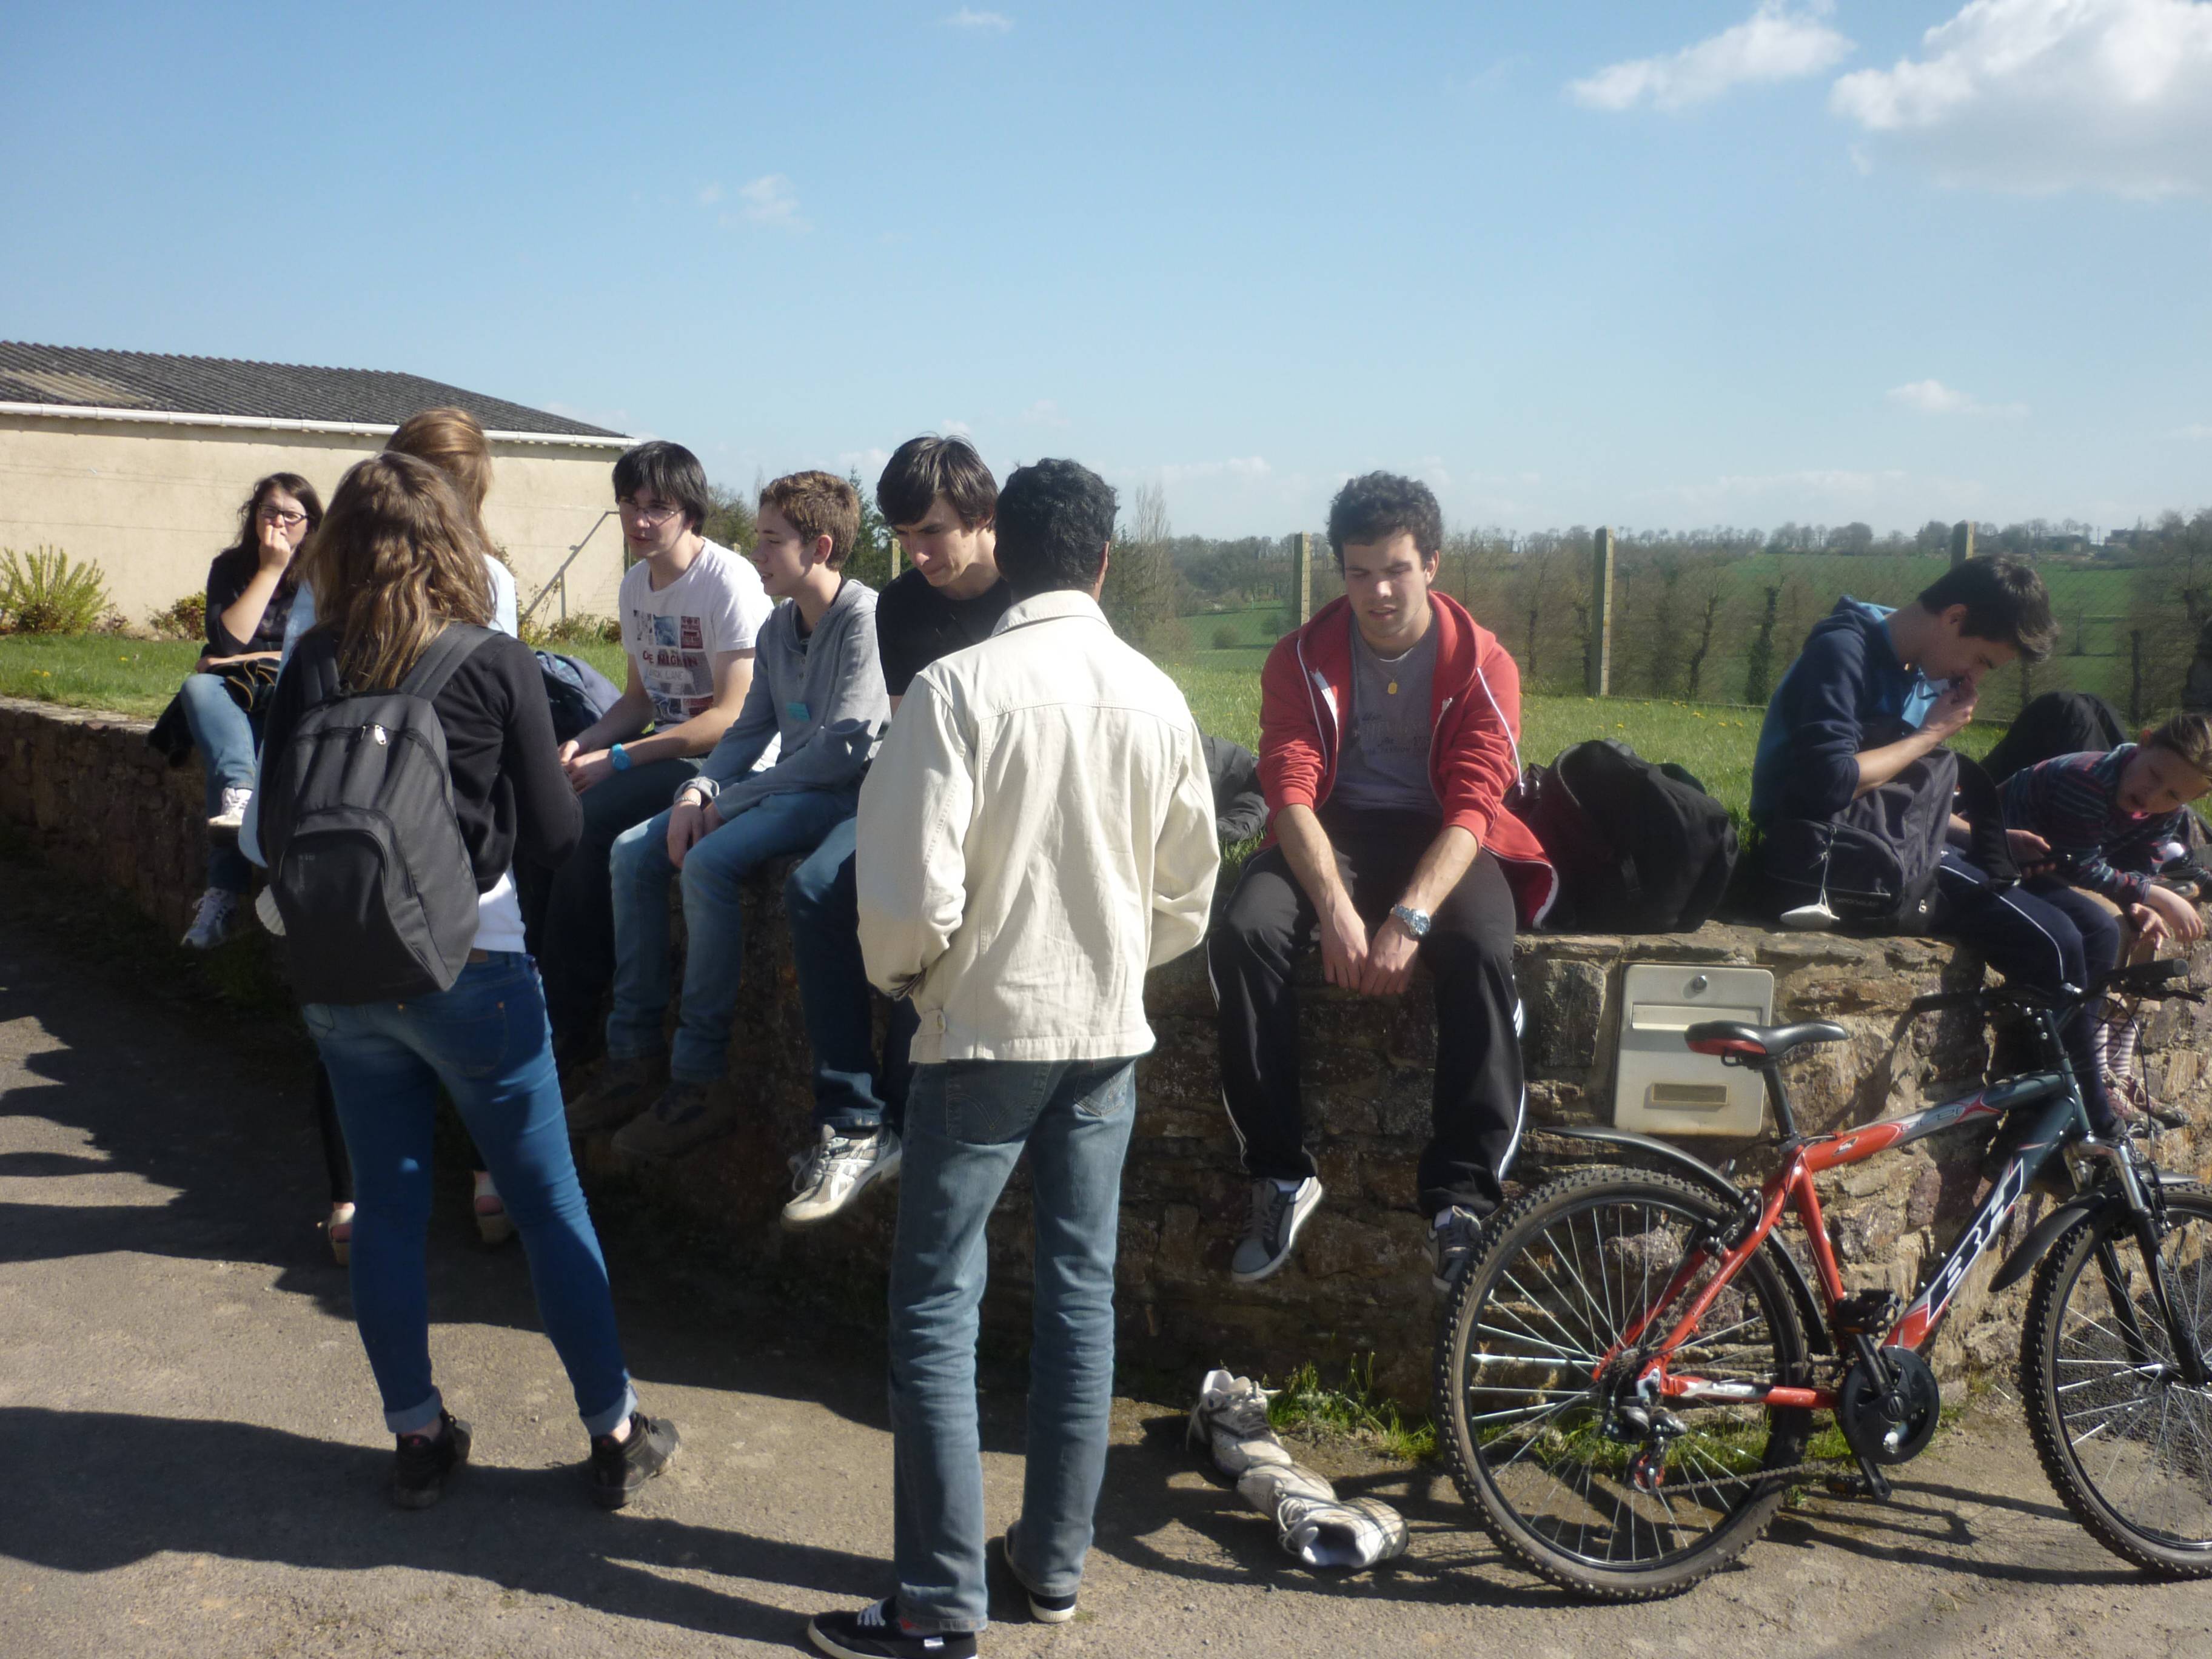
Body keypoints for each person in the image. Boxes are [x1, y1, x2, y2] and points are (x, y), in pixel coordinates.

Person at [806, 459, 1218, 1658]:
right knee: (1080, 1297)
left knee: (937, 1308)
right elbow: (1186, 894)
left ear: (1005, 548)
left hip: (979, 1031)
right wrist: (1117, 965)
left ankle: (938, 1605)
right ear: (1101, 561)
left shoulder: (956, 690)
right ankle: (1048, 1567)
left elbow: (905, 897)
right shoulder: (1158, 697)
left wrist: (911, 981)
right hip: (1106, 1037)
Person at [264, 451, 676, 1510]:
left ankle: (417, 1436)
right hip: (474, 962)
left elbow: (271, 825)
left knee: (387, 1210)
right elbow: (557, 835)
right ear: (453, 541)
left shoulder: (311, 664)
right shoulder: (491, 660)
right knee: (547, 1205)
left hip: (342, 972)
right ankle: (613, 1430)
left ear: (340, 548)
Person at [1207, 472, 1555, 1296]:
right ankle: (1280, 1172)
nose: (1378, 592)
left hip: (1442, 834)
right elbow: (1289, 789)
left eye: (1396, 569)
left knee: (1478, 947)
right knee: (1245, 931)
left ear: (1431, 564)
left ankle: (1463, 1200)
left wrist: (1410, 918)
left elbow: (1475, 805)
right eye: (1358, 572)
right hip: (1334, 827)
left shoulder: (1484, 664)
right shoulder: (1299, 657)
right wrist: (1334, 905)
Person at [571, 472, 890, 1167]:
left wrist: (730, 802)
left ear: (821, 548)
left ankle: (698, 1079)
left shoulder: (863, 620)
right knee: (631, 852)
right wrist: (698, 791)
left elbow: (840, 751)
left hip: (841, 796)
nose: (757, 552)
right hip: (783, 786)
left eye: (772, 541)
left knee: (708, 862)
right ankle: (632, 1056)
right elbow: (747, 730)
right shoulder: (779, 626)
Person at [1744, 561, 2127, 1119]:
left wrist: (1986, 838)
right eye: (1982, 660)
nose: (1976, 678)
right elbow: (1829, 784)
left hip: (1891, 840)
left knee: (2095, 928)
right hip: (1833, 853)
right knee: (2055, 942)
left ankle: (2046, 1121)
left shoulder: (1912, 666)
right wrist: (1931, 735)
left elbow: (1897, 795)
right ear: (1954, 618)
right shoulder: (1843, 653)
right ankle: (2081, 1121)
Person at [780, 435, 1012, 1218]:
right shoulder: (903, 606)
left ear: (983, 518)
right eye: (905, 535)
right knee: (816, 887)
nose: (917, 553)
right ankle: (852, 1119)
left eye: (933, 532)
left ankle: (906, 1118)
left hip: (1008, 801)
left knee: (932, 898)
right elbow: (916, 741)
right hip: (924, 785)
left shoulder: (1030, 595)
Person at [537, 440, 771, 1067]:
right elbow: (639, 702)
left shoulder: (728, 582)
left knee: (588, 824)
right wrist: (585, 742)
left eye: (657, 508)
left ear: (690, 512)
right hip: (667, 747)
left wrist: (617, 761)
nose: (639, 521)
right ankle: (544, 997)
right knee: (549, 807)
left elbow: (731, 719)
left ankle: (567, 1024)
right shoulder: (635, 585)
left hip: (727, 761)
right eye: (629, 504)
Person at [2000, 711, 2212, 1111]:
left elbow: (2141, 864)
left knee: (2148, 931)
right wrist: (2155, 896)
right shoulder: (2088, 779)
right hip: (2012, 864)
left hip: (2061, 873)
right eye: (2154, 775)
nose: (2153, 796)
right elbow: (2079, 864)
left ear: (2192, 798)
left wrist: (2140, 904)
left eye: (2173, 795)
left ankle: (2118, 1068)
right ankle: (2093, 1073)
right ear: (2144, 742)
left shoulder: (2169, 811)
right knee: (2110, 926)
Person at [166, 472, 321, 949]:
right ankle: (239, 793)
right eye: (268, 512)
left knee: (244, 751)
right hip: (235, 689)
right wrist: (270, 570)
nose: (278, 523)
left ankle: (223, 893)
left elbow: (312, 649)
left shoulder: (325, 573)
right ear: (253, 517)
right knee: (199, 688)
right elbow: (228, 641)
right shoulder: (231, 568)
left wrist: (247, 659)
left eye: (291, 515)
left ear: (310, 524)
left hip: (296, 688)